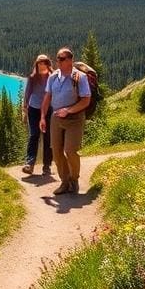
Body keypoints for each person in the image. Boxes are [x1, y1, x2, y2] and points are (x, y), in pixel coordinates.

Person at [40, 46, 90, 196]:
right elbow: (47, 97)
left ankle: (74, 180)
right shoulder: (53, 77)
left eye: (61, 59)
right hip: (56, 118)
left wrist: (68, 110)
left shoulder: (79, 77)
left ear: (70, 60)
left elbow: (86, 100)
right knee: (56, 151)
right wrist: (42, 117)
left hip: (74, 119)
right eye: (57, 58)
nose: (58, 61)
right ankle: (64, 182)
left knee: (70, 150)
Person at [21, 54, 52, 175]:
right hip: (34, 109)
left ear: (48, 64)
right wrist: (25, 107)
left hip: (48, 110)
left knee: (48, 137)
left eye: (44, 62)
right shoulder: (33, 78)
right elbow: (28, 92)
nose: (42, 65)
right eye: (39, 63)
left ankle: (47, 166)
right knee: (34, 135)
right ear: (37, 65)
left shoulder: (52, 77)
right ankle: (30, 163)